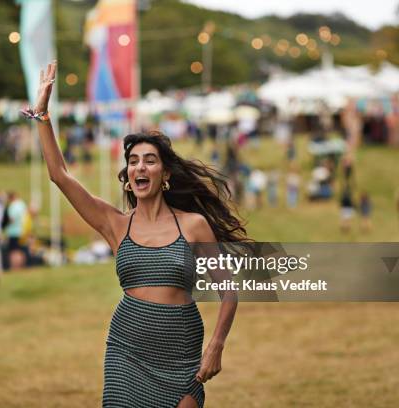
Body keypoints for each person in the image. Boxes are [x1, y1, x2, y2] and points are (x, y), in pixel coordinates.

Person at [22, 61, 243, 408]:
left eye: (150, 160)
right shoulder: (115, 224)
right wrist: (42, 115)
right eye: (134, 161)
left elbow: (229, 290)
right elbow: (59, 175)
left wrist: (216, 345)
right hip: (126, 348)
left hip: (180, 350)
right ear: (128, 174)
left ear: (164, 173)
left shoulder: (193, 226)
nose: (140, 166)